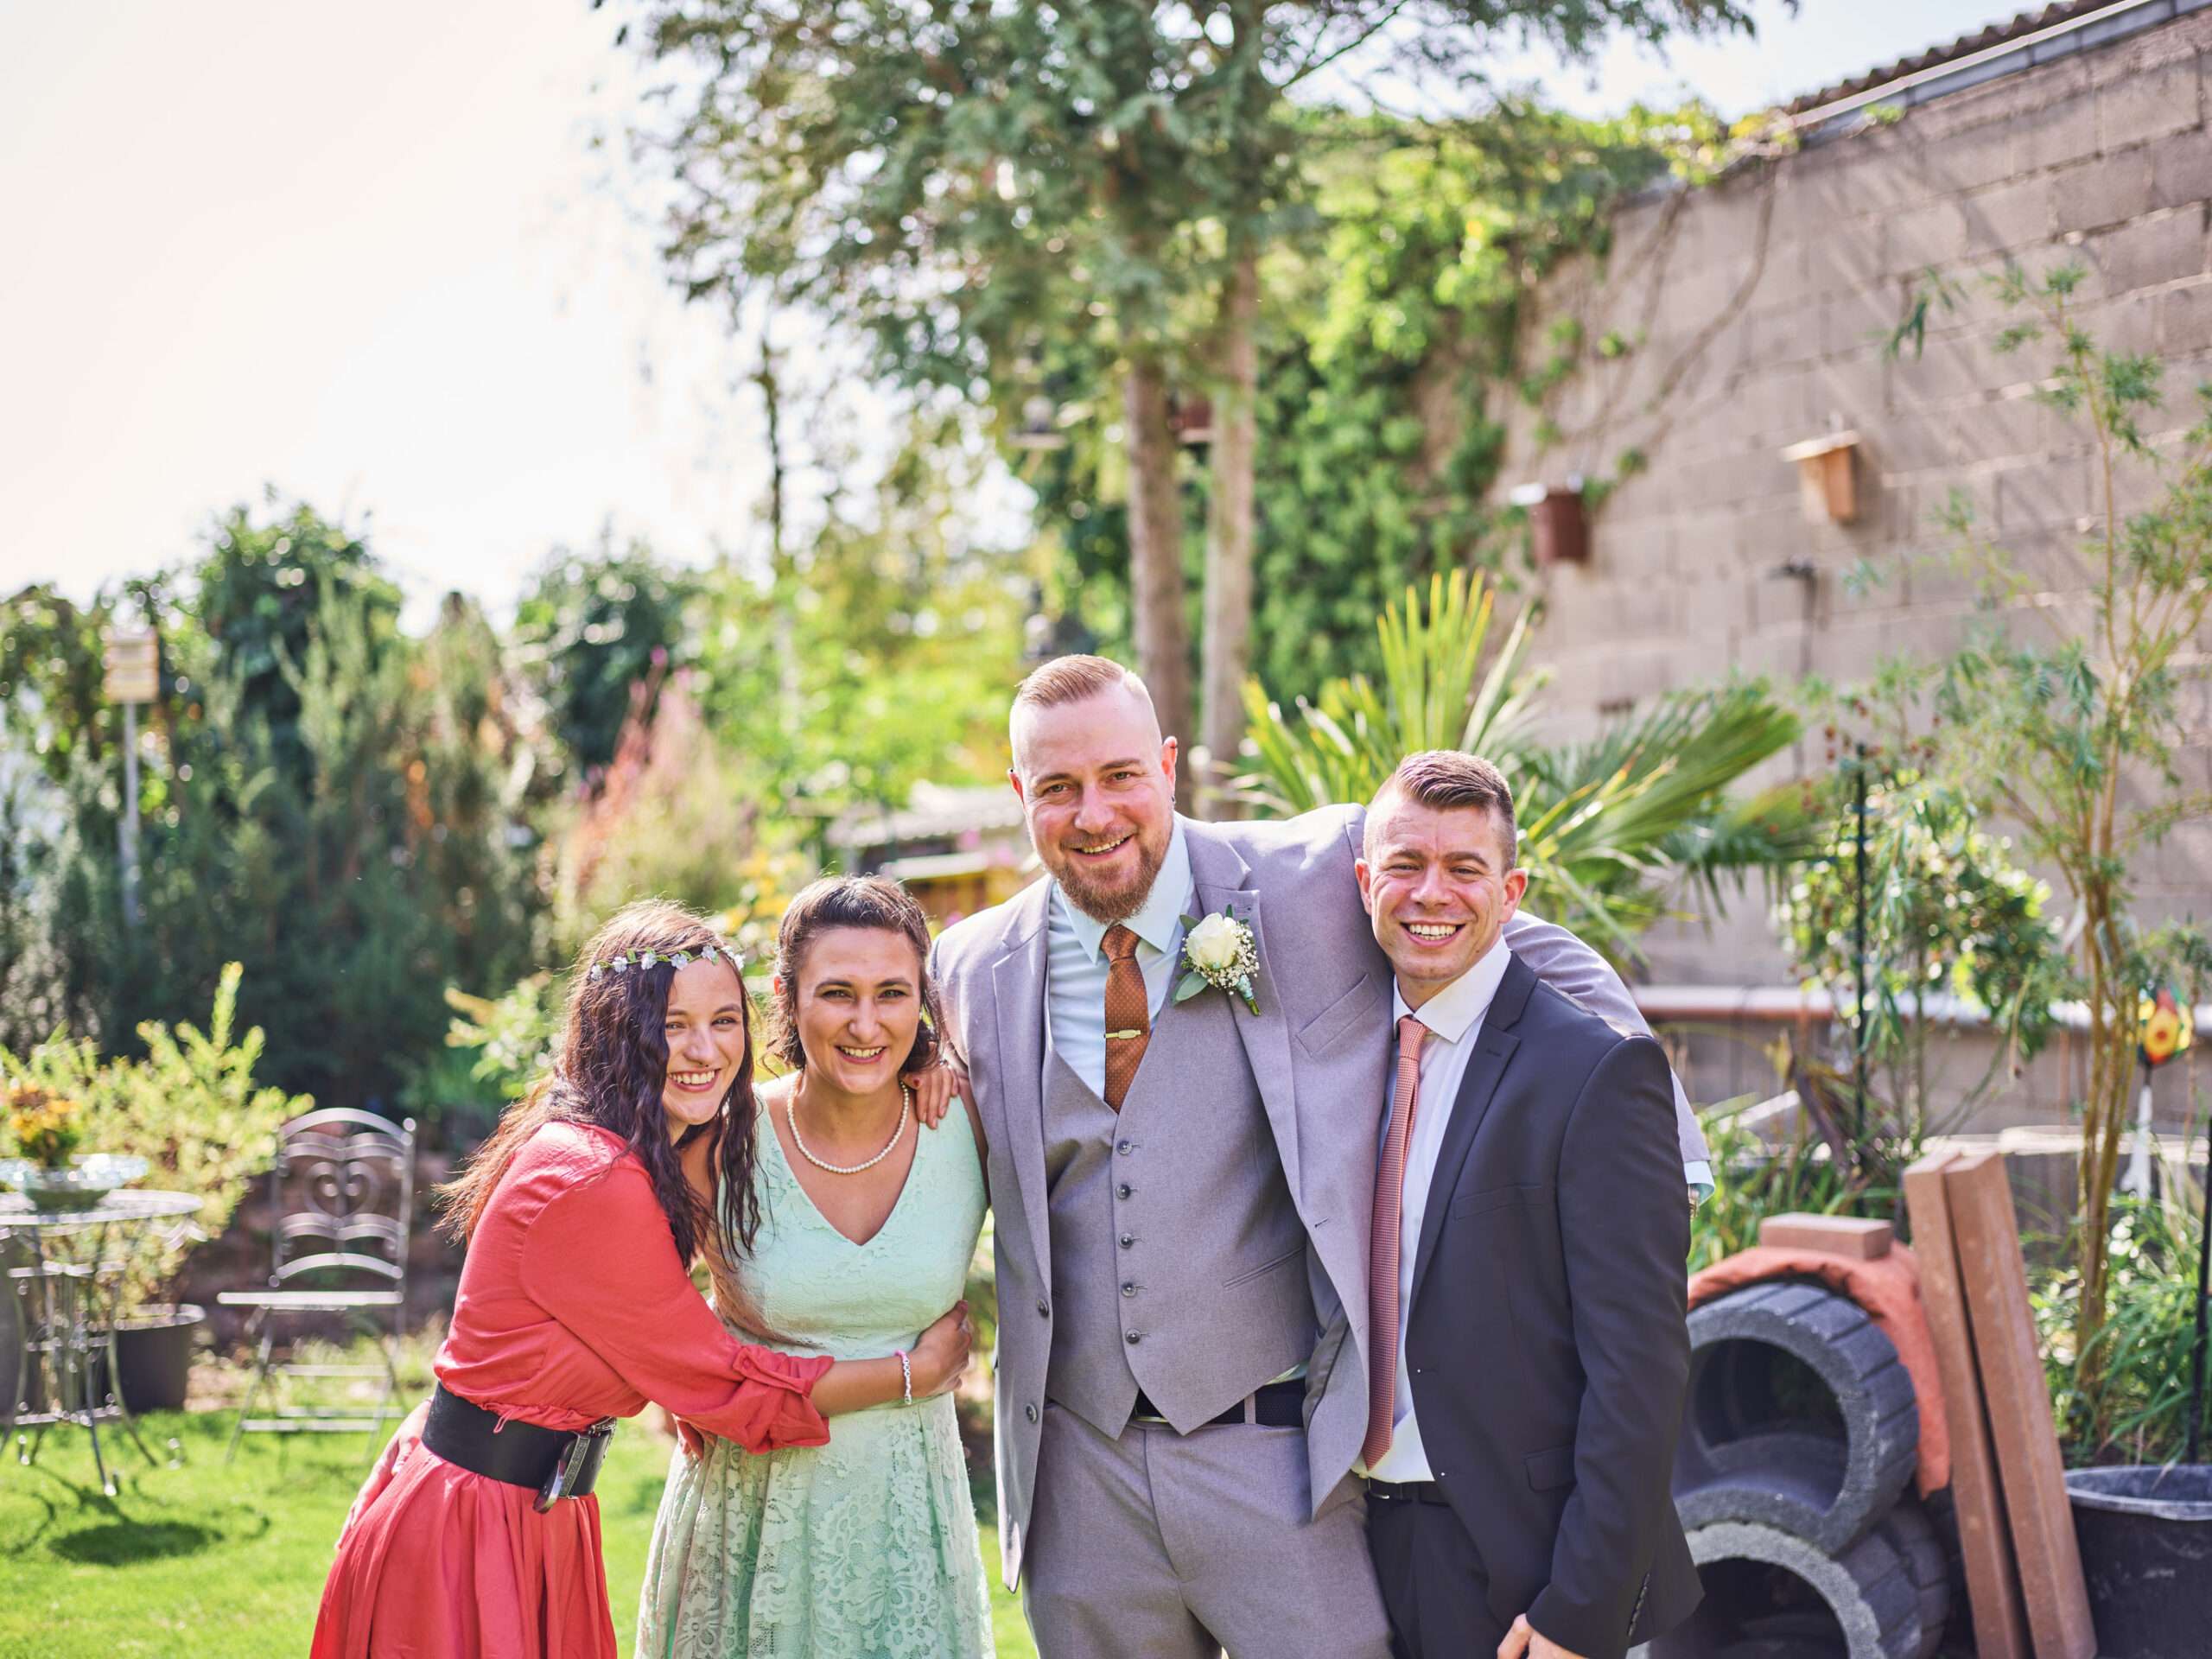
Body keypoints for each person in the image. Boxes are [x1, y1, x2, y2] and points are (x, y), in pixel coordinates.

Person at [927, 654, 1709, 1659]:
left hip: (1277, 1452)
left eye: (1120, 776)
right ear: (1018, 792)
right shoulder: (968, 966)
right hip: (1080, 1479)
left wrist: (1665, 1143)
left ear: (1166, 765)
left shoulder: (1305, 872)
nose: (1094, 814)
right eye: (1058, 788)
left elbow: (1520, 940)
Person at [312, 899, 972, 1659]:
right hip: (471, 1527)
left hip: (534, 1509)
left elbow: (656, 1337)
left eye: (724, 1021)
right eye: (671, 1024)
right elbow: (725, 1381)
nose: (704, 1049)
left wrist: (919, 1056)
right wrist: (912, 1373)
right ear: (618, 1031)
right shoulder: (591, 1177)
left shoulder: (631, 1152)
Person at [1351, 751, 1698, 1659]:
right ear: (1364, 882)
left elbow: (1640, 1371)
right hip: (1349, 1551)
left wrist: (1579, 1609)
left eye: (1464, 868)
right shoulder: (1335, 1060)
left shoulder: (1595, 1072)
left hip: (1517, 1561)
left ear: (1510, 894)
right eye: (1405, 864)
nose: (1432, 893)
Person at [638, 876, 994, 1659]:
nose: (866, 1024)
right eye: (837, 993)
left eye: (892, 994)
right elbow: (642, 1320)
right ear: (787, 997)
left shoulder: (969, 1119)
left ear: (923, 1003)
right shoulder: (718, 1141)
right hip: (750, 1516)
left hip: (909, 1516)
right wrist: (694, 1388)